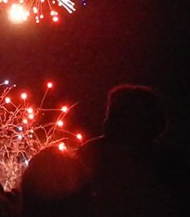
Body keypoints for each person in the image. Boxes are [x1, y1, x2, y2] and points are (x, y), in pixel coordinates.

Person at [76, 84, 183, 217]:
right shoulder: (167, 158)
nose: (109, 119)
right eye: (112, 113)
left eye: (118, 113)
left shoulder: (92, 151)